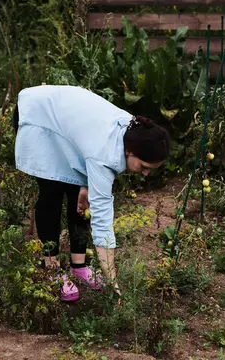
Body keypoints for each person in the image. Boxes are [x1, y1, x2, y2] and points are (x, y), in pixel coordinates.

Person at [14, 85, 170, 301]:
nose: (144, 173)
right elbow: (102, 222)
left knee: (78, 195)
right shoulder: (104, 154)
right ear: (130, 152)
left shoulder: (132, 132)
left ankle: (78, 265)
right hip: (39, 116)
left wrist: (86, 185)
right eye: (144, 166)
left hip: (67, 123)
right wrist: (113, 283)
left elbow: (85, 142)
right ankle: (51, 269)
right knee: (52, 192)